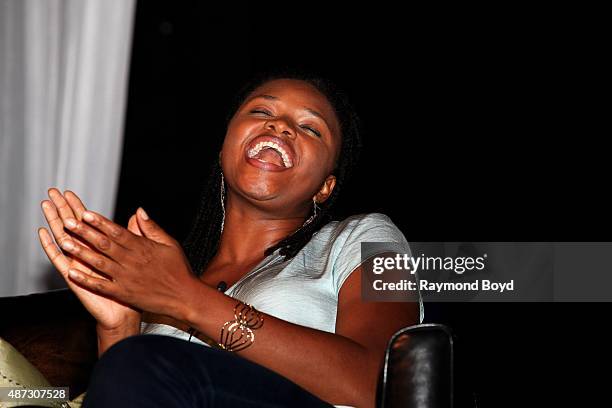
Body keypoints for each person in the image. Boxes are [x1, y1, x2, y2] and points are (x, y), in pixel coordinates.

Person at [37, 73, 422, 408]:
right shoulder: (169, 285)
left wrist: (187, 298)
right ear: (224, 149)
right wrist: (119, 327)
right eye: (261, 112)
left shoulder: (366, 237)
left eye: (310, 127)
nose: (281, 126)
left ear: (326, 186)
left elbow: (380, 382)